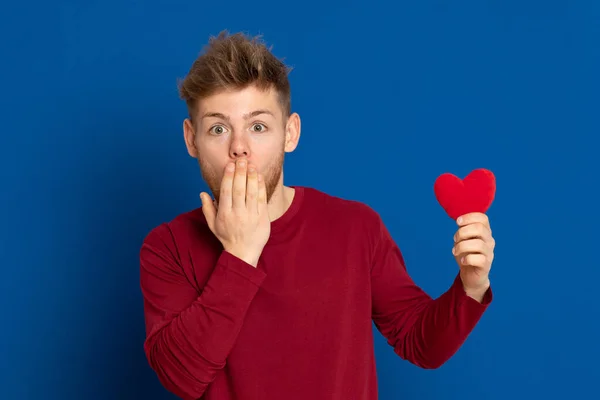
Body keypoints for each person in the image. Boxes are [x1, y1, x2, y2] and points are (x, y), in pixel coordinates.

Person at [139, 30, 495, 400]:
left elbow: (422, 344)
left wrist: (470, 285)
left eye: (258, 126)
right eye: (218, 128)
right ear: (191, 139)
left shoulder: (356, 228)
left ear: (290, 133)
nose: (239, 148)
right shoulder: (167, 247)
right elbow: (181, 377)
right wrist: (240, 255)